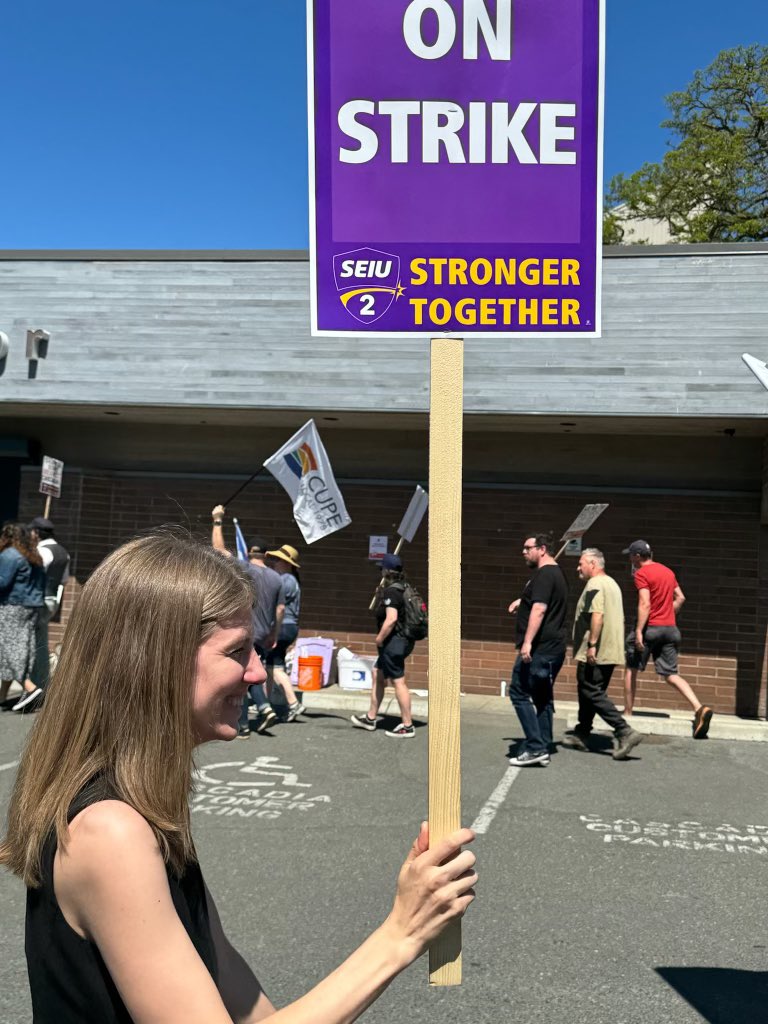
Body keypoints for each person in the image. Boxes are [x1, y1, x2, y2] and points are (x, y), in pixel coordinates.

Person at [0, 533, 477, 1023]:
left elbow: (249, 1008)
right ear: (154, 662)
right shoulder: (110, 832)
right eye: (236, 652)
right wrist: (400, 934)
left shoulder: (146, 804)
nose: (256, 673)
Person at [625, 539, 713, 738]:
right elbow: (680, 597)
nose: (630, 559)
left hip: (650, 629)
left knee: (631, 668)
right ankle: (699, 708)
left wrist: (639, 630)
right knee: (670, 674)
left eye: (631, 555)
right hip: (670, 629)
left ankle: (628, 714)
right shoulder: (667, 571)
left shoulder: (641, 574)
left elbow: (645, 603)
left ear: (638, 556)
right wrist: (668, 614)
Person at [562, 548, 643, 760]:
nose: (578, 568)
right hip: (609, 650)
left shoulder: (595, 584)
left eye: (581, 564)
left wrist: (591, 644)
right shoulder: (611, 583)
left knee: (591, 691)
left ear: (593, 564)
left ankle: (624, 731)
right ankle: (582, 732)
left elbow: (597, 614)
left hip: (597, 651)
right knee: (590, 691)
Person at [211, 505, 282, 735]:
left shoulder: (244, 569)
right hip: (264, 633)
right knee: (249, 676)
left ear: (249, 553)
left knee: (240, 676)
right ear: (267, 555)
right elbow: (280, 610)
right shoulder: (277, 578)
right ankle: (253, 716)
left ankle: (252, 716)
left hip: (244, 631)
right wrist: (275, 634)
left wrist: (218, 521)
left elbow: (218, 551)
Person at [507, 533, 568, 767]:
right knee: (542, 697)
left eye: (527, 548)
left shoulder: (544, 575)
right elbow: (539, 601)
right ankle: (543, 743)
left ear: (542, 549)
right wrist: (521, 601)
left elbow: (540, 609)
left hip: (540, 649)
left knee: (519, 692)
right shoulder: (556, 573)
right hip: (553, 648)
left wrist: (527, 642)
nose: (523, 552)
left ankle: (535, 746)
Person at [351, 553, 418, 738]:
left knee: (399, 682)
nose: (380, 571)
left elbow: (391, 619)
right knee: (377, 673)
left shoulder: (392, 592)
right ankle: (371, 718)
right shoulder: (404, 587)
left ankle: (407, 725)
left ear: (387, 571)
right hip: (401, 641)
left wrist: (379, 639)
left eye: (382, 568)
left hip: (393, 642)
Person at [12, 516, 71, 712]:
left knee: (29, 645)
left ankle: (35, 688)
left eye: (32, 532)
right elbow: (63, 581)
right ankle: (42, 687)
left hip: (36, 601)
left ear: (37, 532)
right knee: (40, 644)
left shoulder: (43, 551)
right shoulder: (63, 552)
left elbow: (32, 575)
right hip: (52, 598)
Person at [0, 523, 45, 710]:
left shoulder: (9, 555)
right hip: (30, 607)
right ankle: (2, 697)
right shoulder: (33, 556)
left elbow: (2, 582)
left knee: (9, 649)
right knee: (21, 648)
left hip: (12, 606)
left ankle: (30, 687)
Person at [264, 543, 305, 721]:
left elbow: (274, 602)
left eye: (278, 560)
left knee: (274, 666)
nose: (275, 563)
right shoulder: (291, 580)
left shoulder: (287, 580)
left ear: (288, 563)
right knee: (272, 664)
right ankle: (266, 702)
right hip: (289, 627)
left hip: (283, 626)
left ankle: (293, 703)